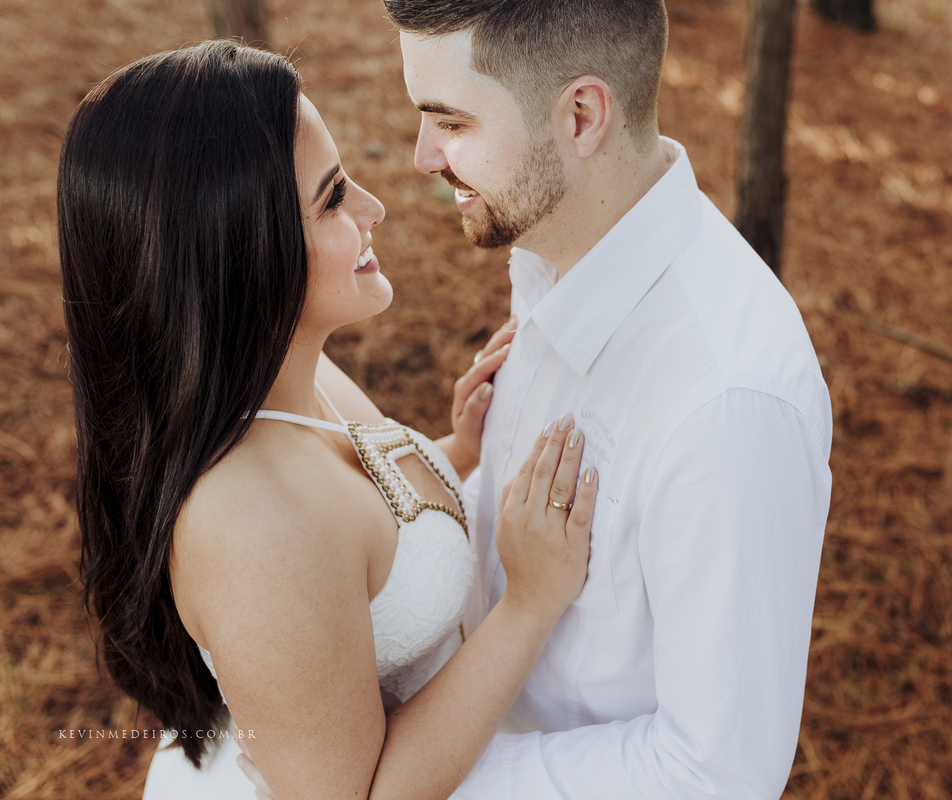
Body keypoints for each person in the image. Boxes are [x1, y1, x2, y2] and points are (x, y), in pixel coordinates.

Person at [58, 40, 603, 799]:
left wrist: (456, 450)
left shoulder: (289, 377)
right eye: (334, 197)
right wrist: (528, 607)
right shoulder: (249, 523)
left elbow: (354, 538)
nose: (374, 207)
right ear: (240, 254)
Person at [354, 1, 834, 797]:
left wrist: (420, 775)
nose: (420, 158)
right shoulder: (556, 248)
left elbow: (715, 773)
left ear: (581, 116)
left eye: (452, 124)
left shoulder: (726, 402)